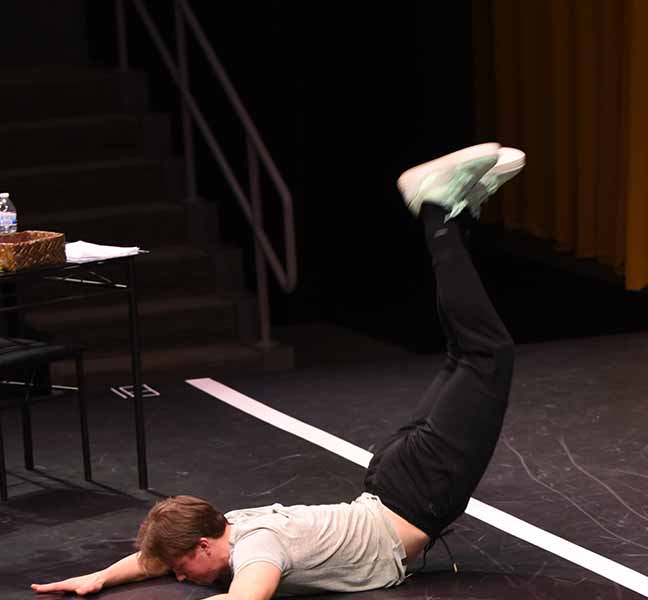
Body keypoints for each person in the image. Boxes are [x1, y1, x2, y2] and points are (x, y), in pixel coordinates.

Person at [31, 142, 525, 599]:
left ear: (204, 544)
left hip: (415, 493)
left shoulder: (257, 548)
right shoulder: (230, 525)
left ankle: (438, 212)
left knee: (486, 354)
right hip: (397, 487)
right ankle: (453, 214)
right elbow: (151, 561)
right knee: (467, 354)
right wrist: (99, 577)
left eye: (182, 568)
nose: (179, 577)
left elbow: (246, 597)